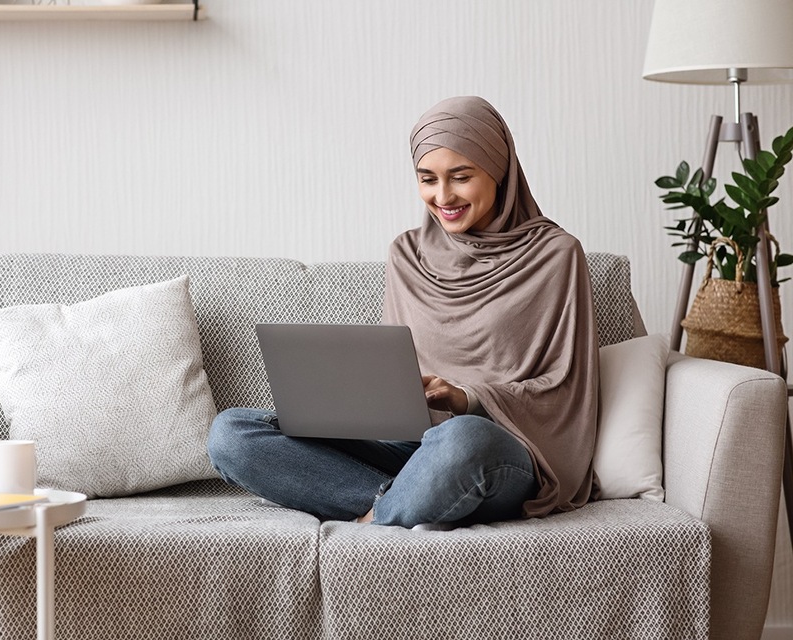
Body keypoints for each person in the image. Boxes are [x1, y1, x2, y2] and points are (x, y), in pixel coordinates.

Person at [207, 96, 599, 528]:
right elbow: (392, 367)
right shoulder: (406, 254)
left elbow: (566, 388)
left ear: (499, 170)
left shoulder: (556, 255)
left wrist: (466, 397)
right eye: (427, 179)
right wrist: (355, 398)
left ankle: (376, 513)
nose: (443, 196)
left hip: (492, 447)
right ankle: (400, 503)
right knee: (232, 433)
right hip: (406, 448)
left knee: (461, 438)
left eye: (461, 177)